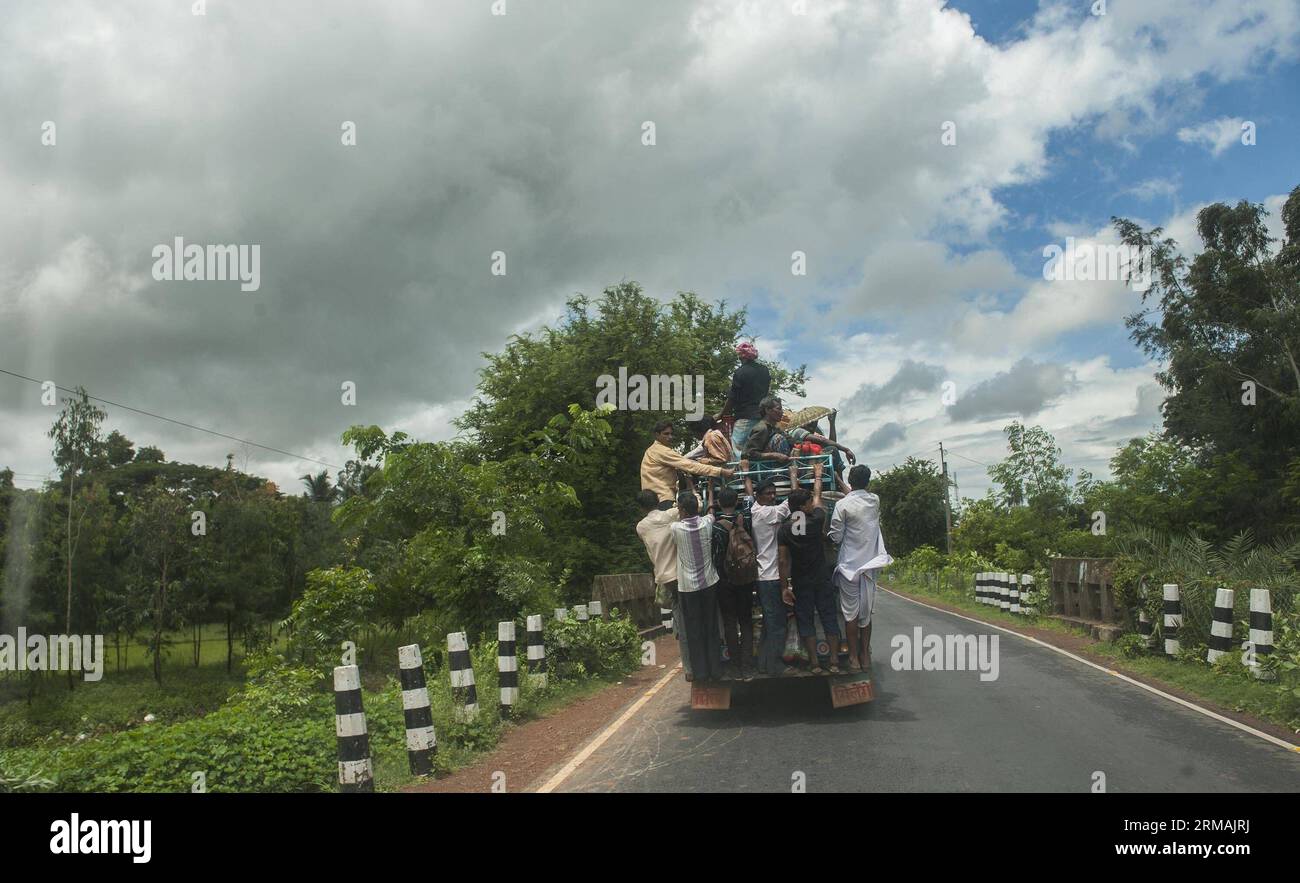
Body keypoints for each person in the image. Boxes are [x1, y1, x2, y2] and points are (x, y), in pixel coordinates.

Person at [778, 462, 841, 674]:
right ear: (804, 506)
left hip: (800, 580)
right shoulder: (816, 521)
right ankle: (833, 662)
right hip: (821, 578)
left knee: (806, 620)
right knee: (828, 616)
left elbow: (783, 561)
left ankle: (814, 664)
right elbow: (817, 500)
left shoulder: (785, 529)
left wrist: (784, 587)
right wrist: (817, 476)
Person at [828, 465, 893, 673]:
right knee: (866, 615)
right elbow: (857, 497)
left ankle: (853, 659)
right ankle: (865, 656)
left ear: (850, 480)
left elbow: (836, 537)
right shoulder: (874, 500)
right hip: (870, 566)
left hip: (849, 568)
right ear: (868, 482)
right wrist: (841, 482)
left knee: (850, 615)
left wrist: (826, 537)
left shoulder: (842, 505)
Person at [743, 474, 797, 676]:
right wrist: (793, 477)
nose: (773, 496)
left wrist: (747, 474)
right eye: (768, 494)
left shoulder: (754, 508)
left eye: (774, 493)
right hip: (770, 576)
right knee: (777, 625)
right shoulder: (766, 513)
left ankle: (764, 664)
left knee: (769, 623)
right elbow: (791, 502)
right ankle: (775, 665)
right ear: (759, 496)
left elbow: (749, 492)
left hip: (765, 575)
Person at [744, 397, 856, 493]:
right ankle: (836, 485)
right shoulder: (761, 428)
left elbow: (794, 442)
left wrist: (809, 447)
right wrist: (774, 455)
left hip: (785, 466)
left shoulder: (775, 428)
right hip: (770, 471)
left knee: (828, 453)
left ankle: (836, 485)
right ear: (767, 410)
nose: (782, 412)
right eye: (779, 409)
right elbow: (748, 454)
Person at [669, 491, 724, 682]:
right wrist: (708, 491)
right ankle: (716, 670)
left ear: (682, 510)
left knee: (694, 630)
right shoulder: (707, 523)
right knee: (711, 626)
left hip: (688, 588)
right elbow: (710, 510)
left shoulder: (675, 528)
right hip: (709, 583)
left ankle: (701, 672)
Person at [635, 489, 691, 676]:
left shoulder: (641, 527)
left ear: (641, 508)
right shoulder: (671, 515)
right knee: (689, 617)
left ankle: (688, 666)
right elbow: (692, 502)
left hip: (665, 578)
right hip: (684, 573)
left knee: (679, 615)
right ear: (658, 500)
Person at [711, 486, 756, 679]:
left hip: (724, 581)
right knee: (746, 621)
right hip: (745, 579)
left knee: (730, 622)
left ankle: (735, 665)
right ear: (736, 502)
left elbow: (715, 557)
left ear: (720, 504)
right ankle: (747, 665)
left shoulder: (714, 526)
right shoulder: (745, 519)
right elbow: (750, 499)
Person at [641, 420, 734, 509]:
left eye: (671, 434)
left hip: (653, 499)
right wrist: (720, 471)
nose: (670, 437)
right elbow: (690, 466)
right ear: (657, 435)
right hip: (663, 498)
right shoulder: (661, 451)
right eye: (666, 434)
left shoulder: (652, 450)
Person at [716, 342, 770, 456]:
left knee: (738, 447)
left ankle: (743, 473)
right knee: (758, 447)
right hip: (763, 416)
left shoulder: (740, 372)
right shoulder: (764, 370)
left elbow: (732, 397)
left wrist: (721, 414)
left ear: (741, 356)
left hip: (745, 417)